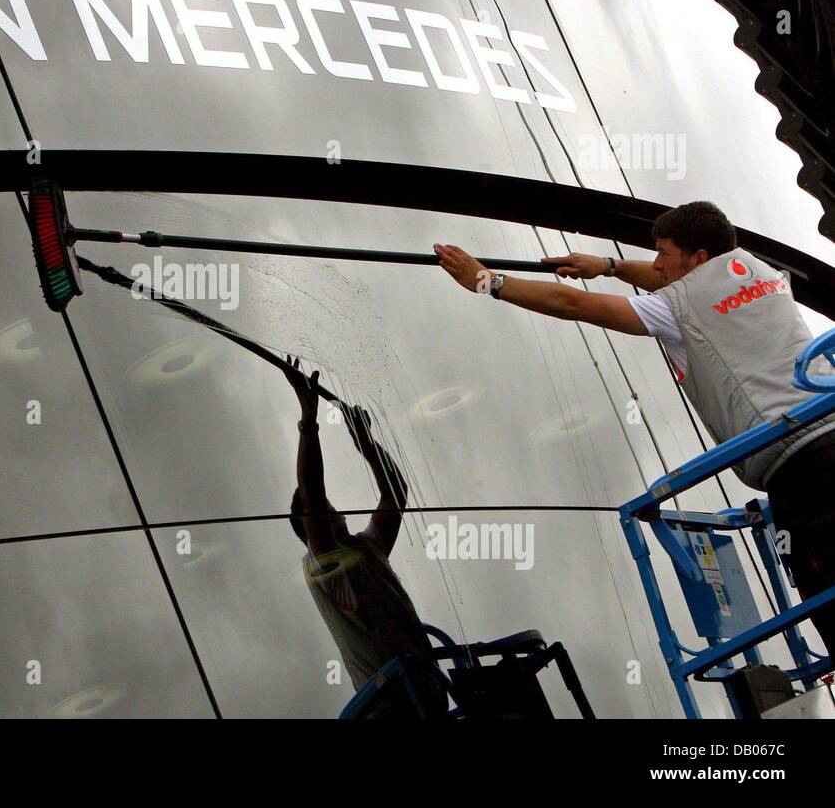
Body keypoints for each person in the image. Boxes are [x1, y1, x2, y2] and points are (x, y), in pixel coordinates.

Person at [433, 200, 835, 654]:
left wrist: (489, 282)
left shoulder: (676, 305)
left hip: (801, 471)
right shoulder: (754, 269)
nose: (657, 264)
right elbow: (674, 282)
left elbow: (571, 304)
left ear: (699, 257)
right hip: (826, 433)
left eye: (664, 253)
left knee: (824, 589)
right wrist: (609, 266)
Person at [280, 355, 448, 718]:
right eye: (321, 512)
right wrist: (309, 423)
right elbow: (311, 495)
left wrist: (366, 443)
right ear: (309, 531)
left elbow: (396, 491)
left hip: (426, 691)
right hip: (388, 708)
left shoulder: (365, 546)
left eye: (331, 505)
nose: (332, 512)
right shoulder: (325, 566)